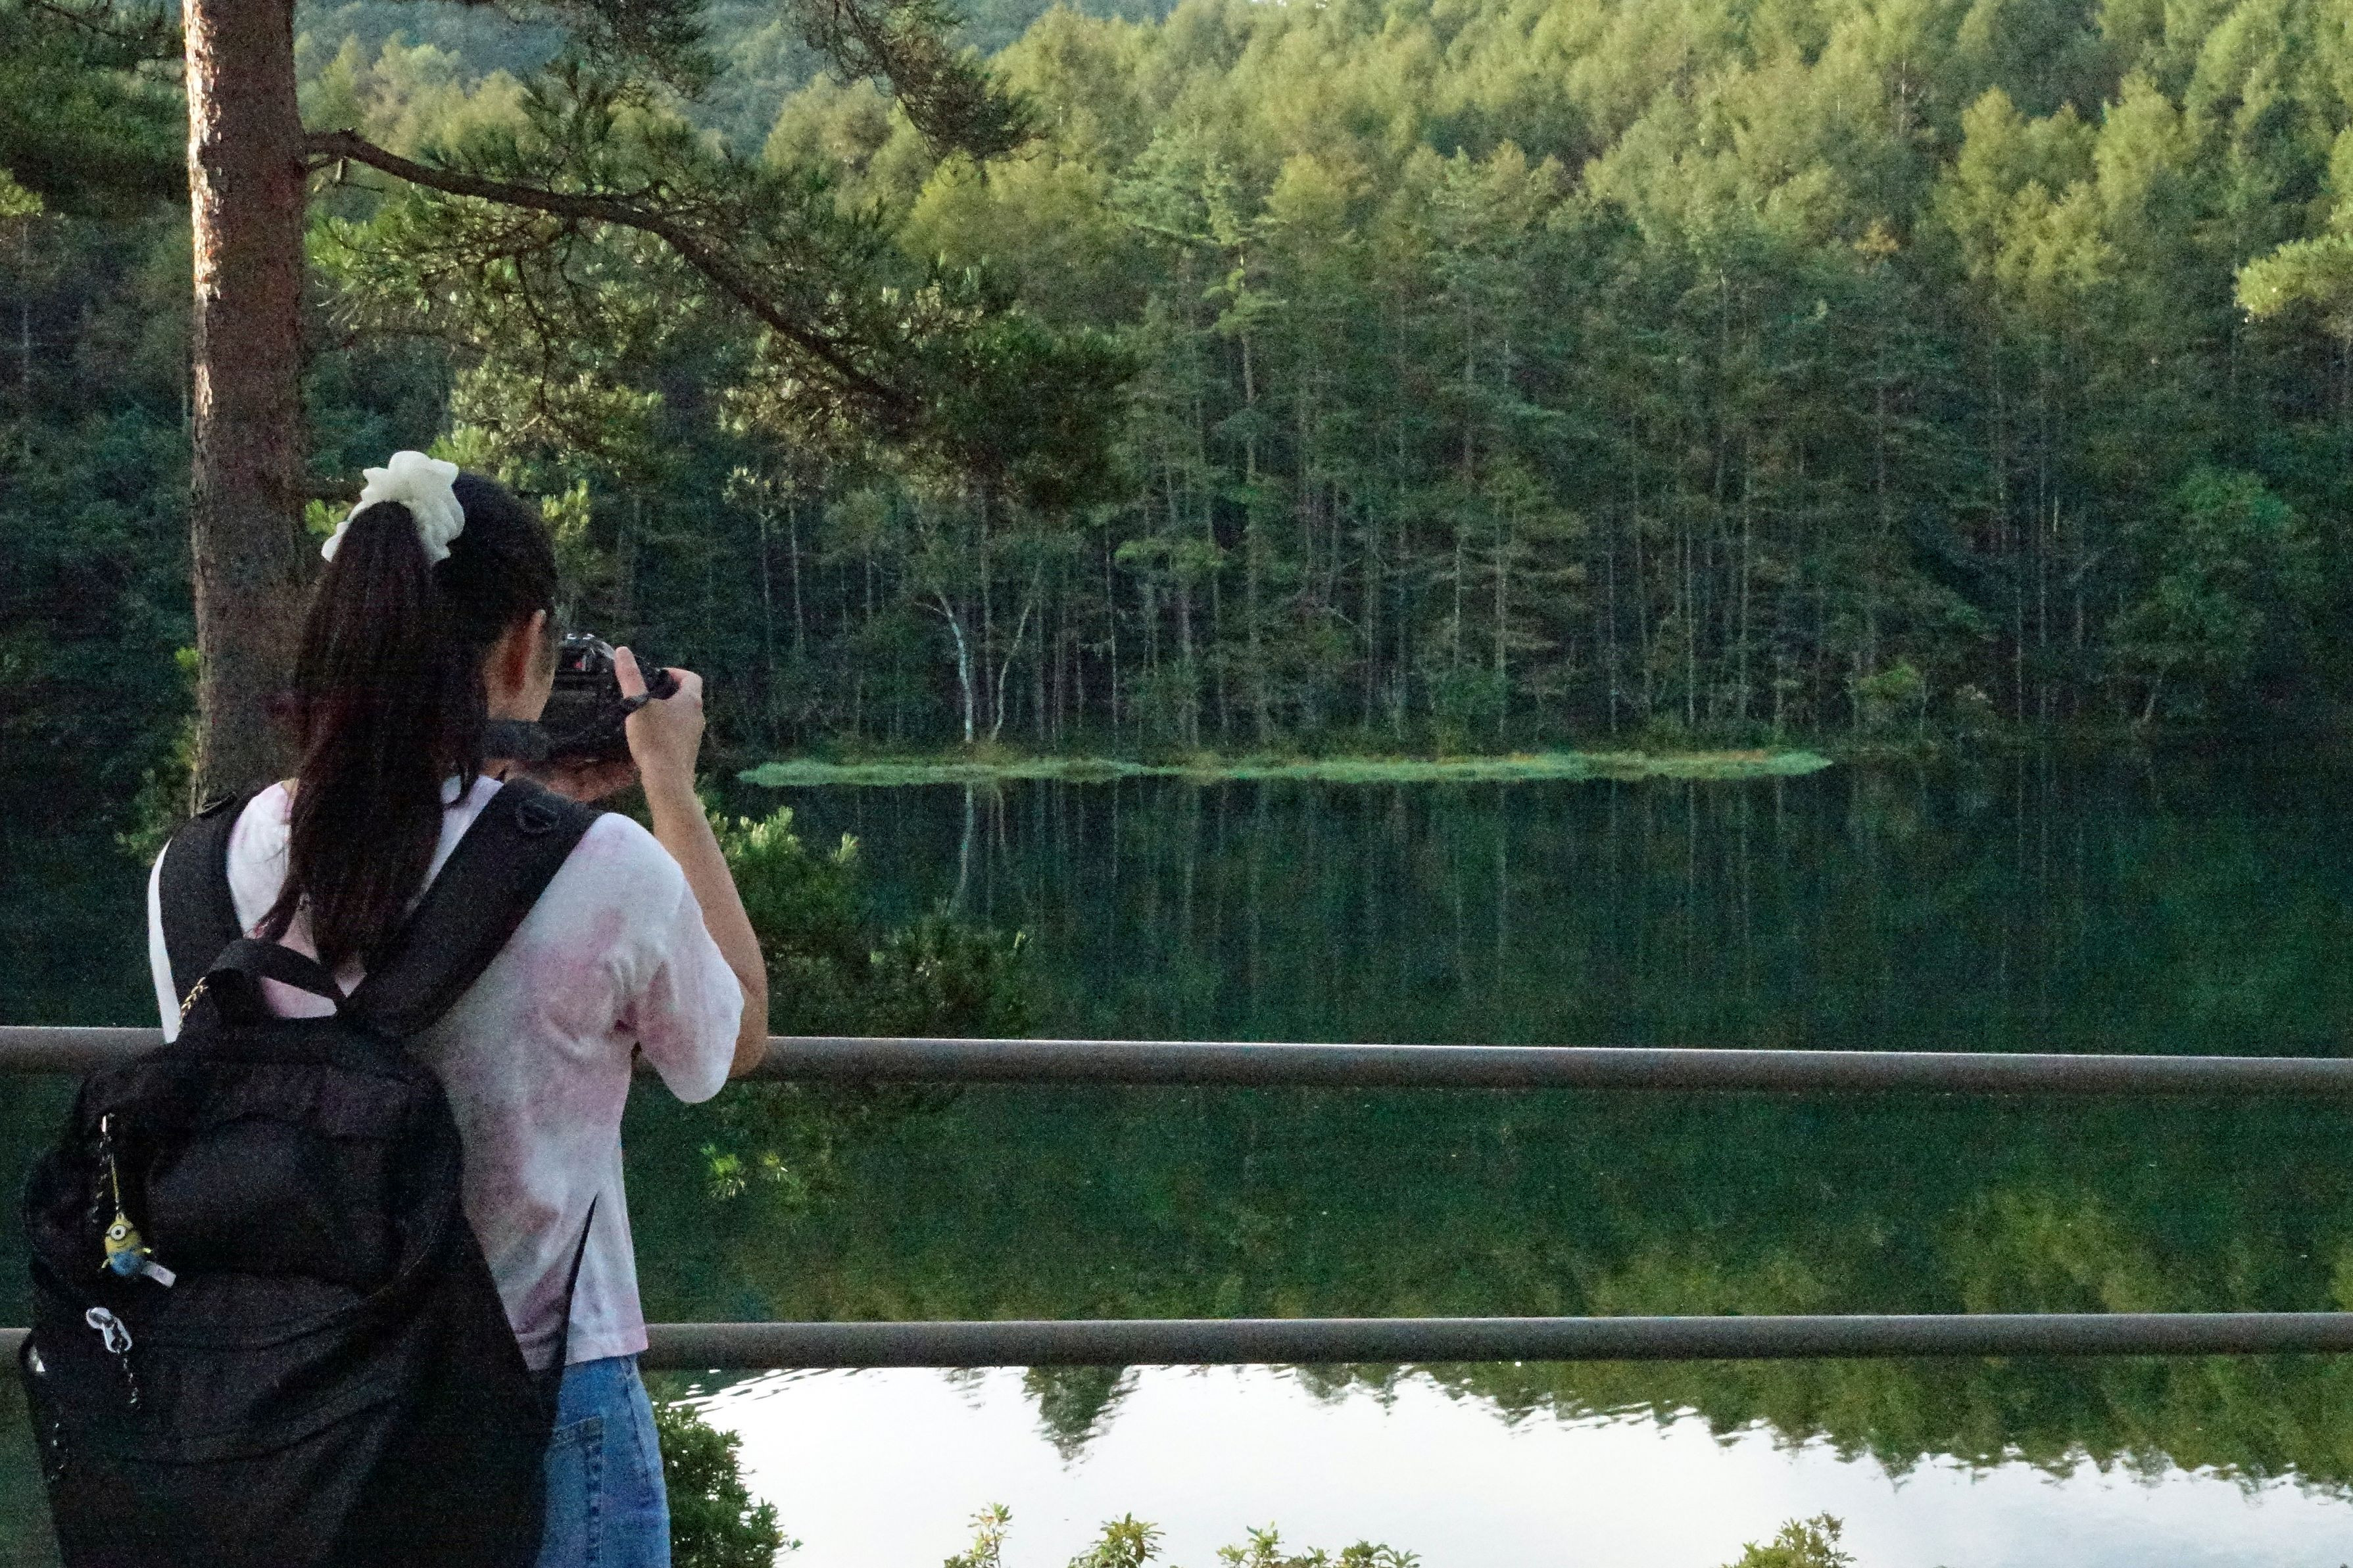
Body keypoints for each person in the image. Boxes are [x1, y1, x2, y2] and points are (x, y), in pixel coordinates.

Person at [142, 451, 770, 1568]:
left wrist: (528, 816)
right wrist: (668, 785)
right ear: (524, 646)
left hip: (281, 1412)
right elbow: (731, 1039)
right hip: (537, 1404)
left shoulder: (192, 868)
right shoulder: (603, 869)